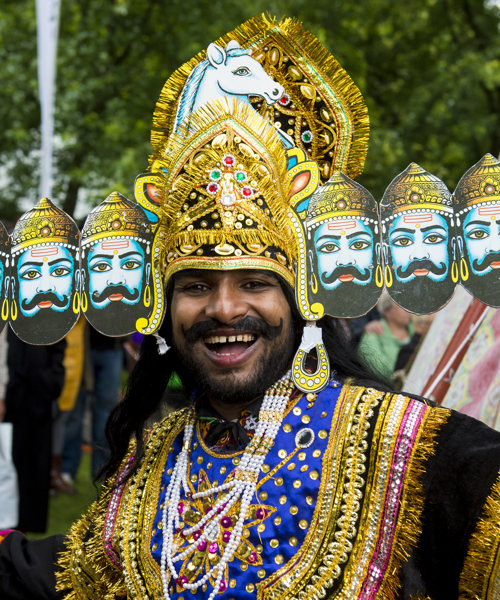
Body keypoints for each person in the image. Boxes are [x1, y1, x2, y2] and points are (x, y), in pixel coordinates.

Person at [0, 15, 499, 600]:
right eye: (195, 286)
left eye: (255, 282)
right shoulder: (157, 457)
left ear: (302, 294)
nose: (225, 308)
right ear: (164, 302)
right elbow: (63, 574)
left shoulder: (403, 448)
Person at [357, 291, 415, 385]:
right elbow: (388, 375)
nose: (408, 310)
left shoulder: (416, 329)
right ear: (386, 312)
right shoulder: (371, 337)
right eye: (401, 306)